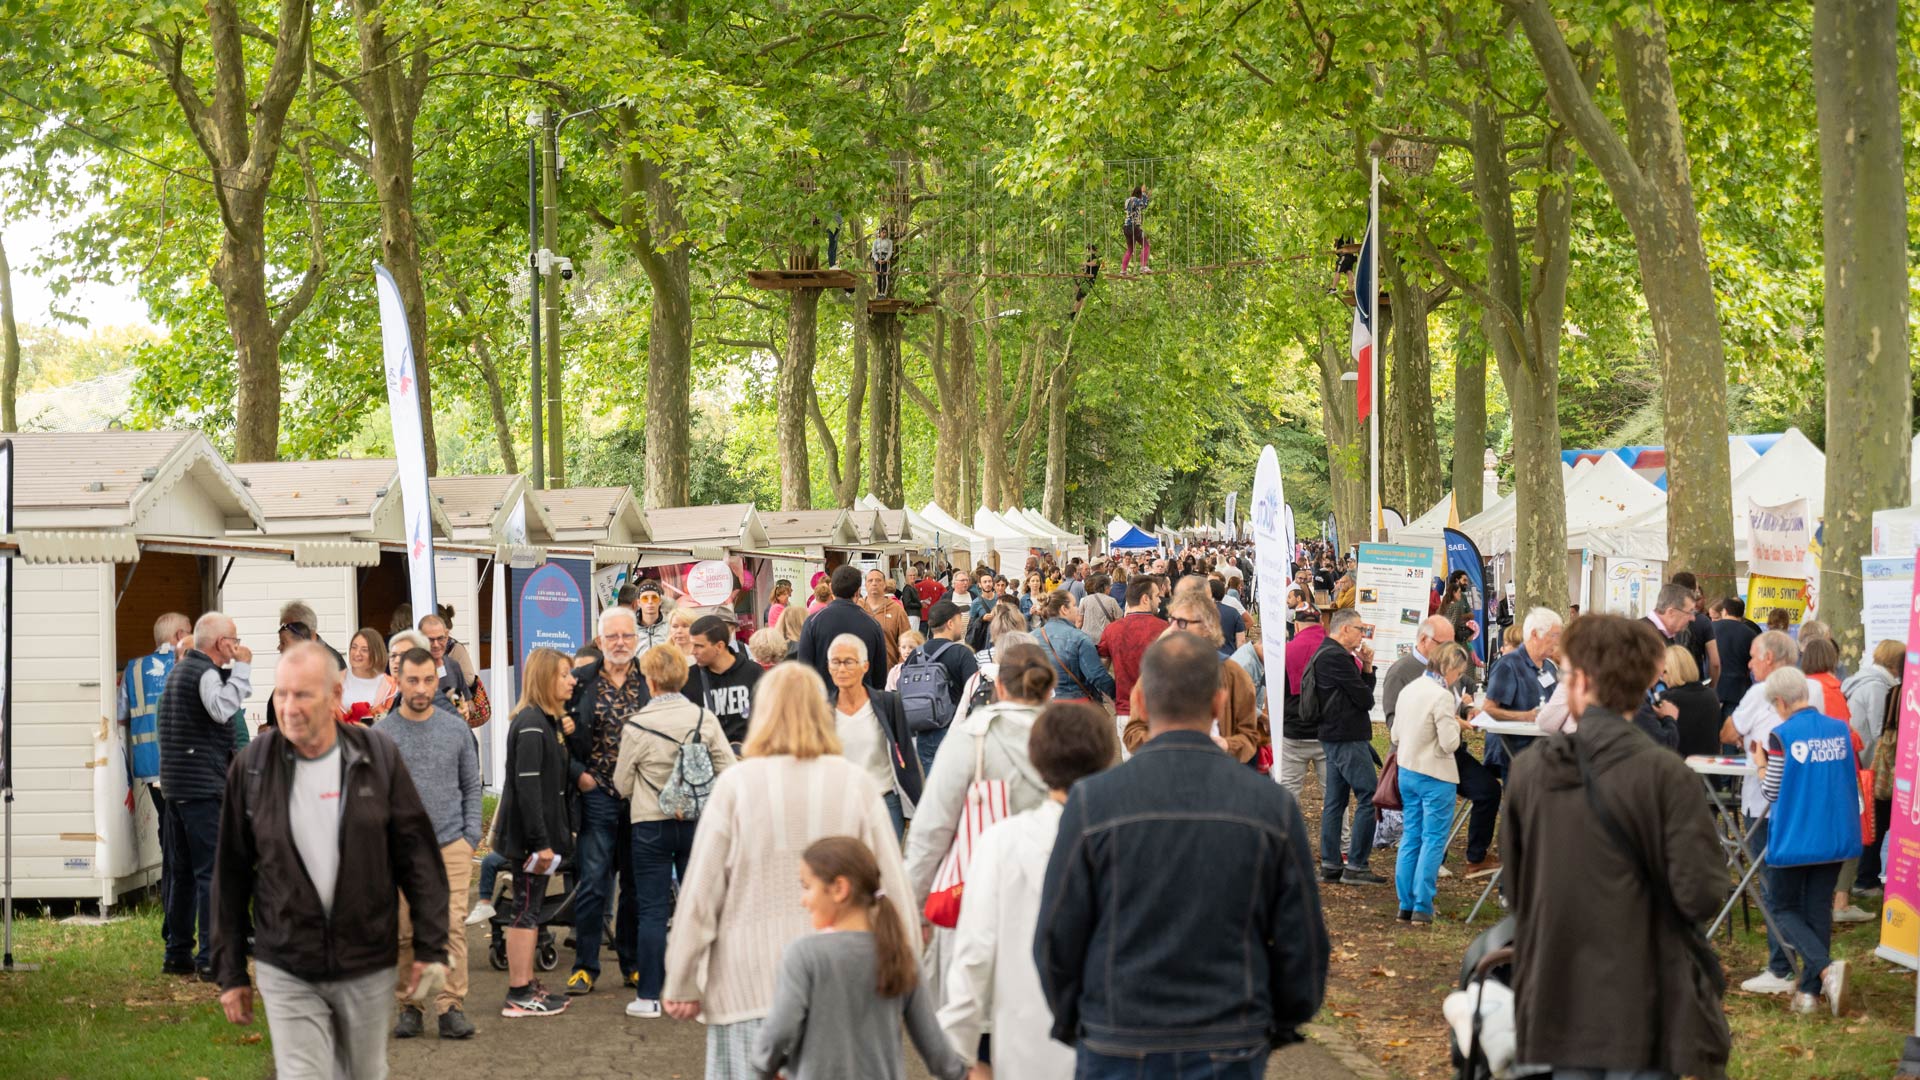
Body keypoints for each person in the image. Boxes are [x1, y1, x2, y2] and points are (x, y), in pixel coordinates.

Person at [1035, 633, 1328, 1078]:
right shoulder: (1269, 807)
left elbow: (1058, 934)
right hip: (1226, 1032)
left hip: (1121, 1031)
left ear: (1142, 703)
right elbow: (1302, 941)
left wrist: (1081, 1018)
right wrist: (1276, 1021)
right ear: (1218, 703)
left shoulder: (1095, 802)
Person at [1500, 614, 1730, 1078]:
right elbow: (1701, 893)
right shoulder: (1667, 775)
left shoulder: (1530, 774)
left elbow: (1518, 888)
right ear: (1646, 680)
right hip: (1644, 1001)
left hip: (1555, 999)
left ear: (1581, 683)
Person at [663, 663, 912, 1080]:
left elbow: (700, 895)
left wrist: (682, 981)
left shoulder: (736, 787)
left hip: (747, 985)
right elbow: (893, 890)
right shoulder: (857, 785)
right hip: (843, 987)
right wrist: (905, 970)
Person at [211, 643, 451, 1076]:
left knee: (361, 1072)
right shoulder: (251, 769)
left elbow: (416, 855)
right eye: (281, 693)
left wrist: (431, 945)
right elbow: (229, 876)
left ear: (335, 694)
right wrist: (230, 971)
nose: (288, 707)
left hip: (365, 961)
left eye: (302, 695)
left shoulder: (376, 757)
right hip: (287, 962)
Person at [939, 701, 1116, 1079]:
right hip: (1112, 1038)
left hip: (1024, 1039)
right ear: (1105, 760)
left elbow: (974, 950)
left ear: (1036, 762)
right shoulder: (1128, 840)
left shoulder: (1002, 842)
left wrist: (960, 1045)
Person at [906, 645, 1057, 1004]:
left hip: (975, 903)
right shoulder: (1068, 737)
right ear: (1048, 689)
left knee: (976, 1027)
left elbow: (932, 830)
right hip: (1051, 904)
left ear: (999, 687)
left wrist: (915, 905)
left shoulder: (971, 739)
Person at [754, 837, 967, 1080]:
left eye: (807, 886)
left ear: (839, 889)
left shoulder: (804, 956)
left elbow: (779, 1030)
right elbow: (934, 1045)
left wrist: (765, 1066)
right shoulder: (901, 955)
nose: (803, 900)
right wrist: (961, 1074)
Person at [612, 642, 739, 1019]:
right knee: (700, 907)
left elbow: (622, 784)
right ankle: (703, 991)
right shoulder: (704, 719)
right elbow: (728, 768)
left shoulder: (636, 725)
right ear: (682, 678)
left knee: (651, 911)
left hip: (650, 824)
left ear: (649, 681)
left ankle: (650, 996)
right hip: (699, 824)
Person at [373, 648, 483, 1040]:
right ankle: (410, 1006)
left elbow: (472, 786)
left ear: (438, 680)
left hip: (451, 843)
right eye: (412, 681)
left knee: (451, 926)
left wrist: (470, 837)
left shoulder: (455, 730)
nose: (421, 689)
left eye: (428, 680)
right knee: (405, 931)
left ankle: (451, 1005)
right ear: (398, 681)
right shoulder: (382, 735)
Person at [1759, 665, 1862, 1016]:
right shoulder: (1839, 730)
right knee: (1818, 908)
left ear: (1780, 702)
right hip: (1834, 833)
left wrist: (1760, 767)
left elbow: (1772, 790)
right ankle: (1808, 995)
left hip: (1796, 836)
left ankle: (1823, 968)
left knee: (1782, 906)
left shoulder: (1781, 735)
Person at [560, 605, 651, 996]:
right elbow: (553, 730)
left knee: (634, 884)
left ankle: (631, 964)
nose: (619, 643)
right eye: (612, 637)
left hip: (642, 795)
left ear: (636, 640)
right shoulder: (578, 681)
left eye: (626, 636)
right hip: (596, 792)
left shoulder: (650, 679)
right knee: (595, 882)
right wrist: (577, 774)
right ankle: (585, 966)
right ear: (599, 642)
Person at [159, 611, 252, 981]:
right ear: (220, 643)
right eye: (234, 637)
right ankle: (210, 957)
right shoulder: (206, 672)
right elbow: (221, 709)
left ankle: (177, 952)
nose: (239, 644)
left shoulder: (180, 671)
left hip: (177, 787)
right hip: (201, 787)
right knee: (211, 874)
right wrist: (242, 669)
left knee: (181, 873)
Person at [1725, 629, 1815, 995]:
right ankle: (1803, 962)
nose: (1747, 663)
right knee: (1796, 887)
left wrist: (1746, 740)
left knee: (1773, 886)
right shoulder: (1810, 690)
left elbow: (1729, 730)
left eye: (1752, 656)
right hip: (1801, 803)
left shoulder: (1758, 693)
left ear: (1771, 659)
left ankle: (1781, 967)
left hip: (1765, 799)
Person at [493, 648, 577, 1017]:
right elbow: (528, 791)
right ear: (545, 678)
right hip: (530, 842)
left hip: (540, 839)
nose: (572, 681)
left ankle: (527, 985)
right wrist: (541, 843)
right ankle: (519, 991)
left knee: (530, 911)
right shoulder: (529, 725)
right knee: (525, 912)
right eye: (564, 674)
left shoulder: (545, 721)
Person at [1124, 593, 1264, 766]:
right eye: (1172, 620)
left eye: (1182, 623)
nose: (1173, 629)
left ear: (1207, 627)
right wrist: (1167, 743)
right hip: (1165, 777)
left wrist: (1227, 745)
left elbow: (1250, 736)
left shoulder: (1233, 674)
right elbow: (1132, 734)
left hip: (1218, 778)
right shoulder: (1156, 671)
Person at [125, 612, 190, 973]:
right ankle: (179, 920)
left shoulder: (134, 669)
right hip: (183, 767)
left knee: (169, 842)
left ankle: (171, 915)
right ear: (180, 635)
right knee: (184, 847)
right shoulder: (185, 664)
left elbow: (123, 714)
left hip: (150, 768)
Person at [1390, 643, 1473, 923]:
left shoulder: (1409, 689)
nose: (1458, 678)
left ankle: (1405, 903)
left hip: (1408, 770)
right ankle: (1423, 905)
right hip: (1436, 774)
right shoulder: (1442, 696)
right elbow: (1450, 743)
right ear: (1449, 668)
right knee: (1433, 839)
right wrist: (1457, 725)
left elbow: (1396, 734)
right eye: (1458, 673)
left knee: (1411, 836)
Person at [1309, 608, 1382, 885]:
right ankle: (1356, 865)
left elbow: (1361, 696)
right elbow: (1365, 700)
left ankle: (1331, 863)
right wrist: (1366, 671)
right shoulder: (1336, 658)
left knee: (1336, 800)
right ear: (1344, 630)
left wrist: (1364, 668)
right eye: (1359, 629)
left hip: (1336, 734)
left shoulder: (1330, 654)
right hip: (1345, 736)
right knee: (1369, 796)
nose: (1363, 634)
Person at [826, 634, 923, 838]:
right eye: (835, 662)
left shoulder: (887, 703)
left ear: (865, 666)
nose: (841, 669)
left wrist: (917, 807)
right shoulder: (823, 711)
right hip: (841, 806)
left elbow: (906, 753)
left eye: (849, 662)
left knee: (886, 868)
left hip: (884, 802)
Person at [901, 601, 979, 776]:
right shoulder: (962, 653)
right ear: (950, 623)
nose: (962, 624)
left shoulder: (915, 654)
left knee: (931, 788)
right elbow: (975, 693)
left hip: (922, 731)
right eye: (960, 619)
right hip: (955, 731)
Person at [1481, 607, 1562, 776]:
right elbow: (1488, 709)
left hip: (1544, 751)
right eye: (1553, 636)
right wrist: (1525, 716)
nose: (1557, 642)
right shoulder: (1508, 665)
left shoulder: (1548, 666)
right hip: (1514, 753)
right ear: (1534, 635)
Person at [1098, 575, 1168, 744]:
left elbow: (1101, 670)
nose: (1160, 601)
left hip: (1126, 712)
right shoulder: (1165, 629)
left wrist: (1114, 695)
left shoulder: (1112, 630)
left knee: (1131, 767)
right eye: (1157, 596)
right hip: (1159, 711)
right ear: (1145, 599)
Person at [796, 565, 889, 692]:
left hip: (823, 704)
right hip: (861, 703)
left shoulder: (813, 622)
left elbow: (804, 671)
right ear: (858, 591)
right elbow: (880, 677)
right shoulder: (873, 625)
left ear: (831, 588)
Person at [1279, 604, 1330, 805]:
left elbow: (1274, 691)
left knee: (1288, 794)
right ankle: (1341, 837)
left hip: (1294, 730)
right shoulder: (1333, 649)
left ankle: (1284, 835)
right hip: (1327, 731)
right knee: (1334, 795)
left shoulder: (1285, 651)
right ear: (1320, 622)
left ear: (1297, 626)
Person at [688, 614, 762, 748]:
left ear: (719, 646)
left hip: (749, 757)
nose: (693, 651)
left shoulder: (753, 673)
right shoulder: (689, 679)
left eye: (699, 646)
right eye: (692, 645)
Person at [1031, 590, 1114, 704]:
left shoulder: (1031, 637)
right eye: (1074, 605)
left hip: (1043, 704)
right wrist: (1118, 696)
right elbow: (1097, 676)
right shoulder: (1079, 638)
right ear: (1064, 609)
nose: (1077, 609)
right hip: (1076, 704)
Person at [1382, 616, 1453, 730]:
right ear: (1424, 640)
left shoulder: (1447, 667)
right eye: (1443, 645)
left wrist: (1466, 709)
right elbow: (1393, 722)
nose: (1448, 651)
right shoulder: (1399, 672)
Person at [1662, 645, 1724, 758]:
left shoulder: (1667, 699)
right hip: (1710, 769)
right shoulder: (1711, 696)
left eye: (1664, 672)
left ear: (1671, 672)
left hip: (1678, 768)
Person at [417, 613, 476, 726]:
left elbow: (465, 701)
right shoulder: (412, 672)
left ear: (447, 635)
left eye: (440, 638)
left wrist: (464, 709)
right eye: (430, 640)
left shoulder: (453, 666)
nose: (436, 645)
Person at [1711, 597, 1763, 716]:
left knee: (1713, 730)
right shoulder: (1750, 633)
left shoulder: (1711, 628)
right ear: (1742, 612)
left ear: (1724, 611)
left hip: (1714, 687)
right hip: (1739, 689)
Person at [1670, 571, 1720, 684]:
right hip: (1696, 686)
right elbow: (1715, 662)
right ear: (1693, 591)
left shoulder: (1664, 617)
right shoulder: (1703, 621)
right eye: (1697, 589)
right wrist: (1711, 688)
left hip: (1667, 686)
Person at [341, 627, 397, 722]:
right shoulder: (334, 681)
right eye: (354, 647)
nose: (357, 653)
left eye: (364, 650)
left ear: (376, 654)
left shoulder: (391, 686)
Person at [860, 567, 912, 669]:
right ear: (865, 585)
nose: (874, 583)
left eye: (878, 580)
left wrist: (900, 668)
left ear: (884, 585)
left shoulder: (897, 610)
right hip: (862, 673)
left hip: (889, 672)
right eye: (870, 580)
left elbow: (908, 641)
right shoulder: (857, 608)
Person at [1210, 577, 1247, 655]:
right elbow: (1241, 641)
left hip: (1205, 659)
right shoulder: (1233, 612)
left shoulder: (1199, 612)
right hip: (1229, 658)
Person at [1119, 184, 1151, 274]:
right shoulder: (1136, 200)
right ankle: (1143, 267)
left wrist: (1146, 196)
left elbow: (1138, 205)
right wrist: (1144, 193)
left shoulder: (1127, 200)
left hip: (1126, 227)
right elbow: (1144, 205)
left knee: (1130, 249)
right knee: (1146, 245)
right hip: (1134, 227)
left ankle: (1123, 270)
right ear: (1139, 194)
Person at [635, 580, 673, 652]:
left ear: (660, 601)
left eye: (654, 598)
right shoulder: (630, 629)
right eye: (645, 598)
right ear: (639, 603)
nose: (650, 602)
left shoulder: (671, 627)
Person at [1071, 243, 1100, 319]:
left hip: (1090, 280)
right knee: (1079, 294)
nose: (1089, 251)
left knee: (1080, 297)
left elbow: (1094, 264)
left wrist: (1085, 263)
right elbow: (1086, 269)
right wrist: (1082, 267)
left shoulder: (1096, 257)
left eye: (1090, 250)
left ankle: (1074, 313)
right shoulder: (1090, 258)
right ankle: (1073, 312)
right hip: (1085, 279)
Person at [872, 223, 895, 297]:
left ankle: (883, 293)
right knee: (878, 276)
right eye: (883, 232)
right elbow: (873, 251)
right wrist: (877, 260)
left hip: (886, 259)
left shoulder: (889, 241)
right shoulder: (876, 241)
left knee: (885, 276)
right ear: (880, 233)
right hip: (878, 259)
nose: (884, 234)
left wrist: (885, 259)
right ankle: (879, 292)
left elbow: (890, 251)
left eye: (885, 232)